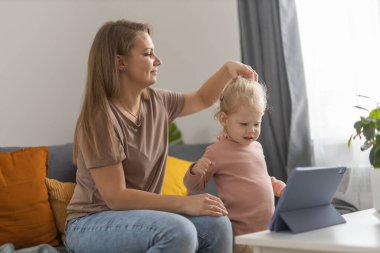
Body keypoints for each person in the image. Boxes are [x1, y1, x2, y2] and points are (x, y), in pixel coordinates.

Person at [64, 19, 257, 253]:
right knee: (178, 231)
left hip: (141, 217)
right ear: (120, 62)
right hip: (92, 223)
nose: (158, 61)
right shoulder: (101, 119)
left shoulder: (158, 102)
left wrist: (228, 69)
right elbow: (116, 197)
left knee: (217, 224)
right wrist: (184, 203)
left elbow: (202, 99)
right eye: (148, 54)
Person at [183, 77, 286, 253]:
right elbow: (194, 187)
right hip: (240, 235)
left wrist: (275, 185)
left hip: (268, 230)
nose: (252, 130)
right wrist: (195, 170)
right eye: (244, 124)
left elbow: (256, 177)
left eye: (257, 123)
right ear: (224, 119)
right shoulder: (216, 151)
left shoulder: (257, 147)